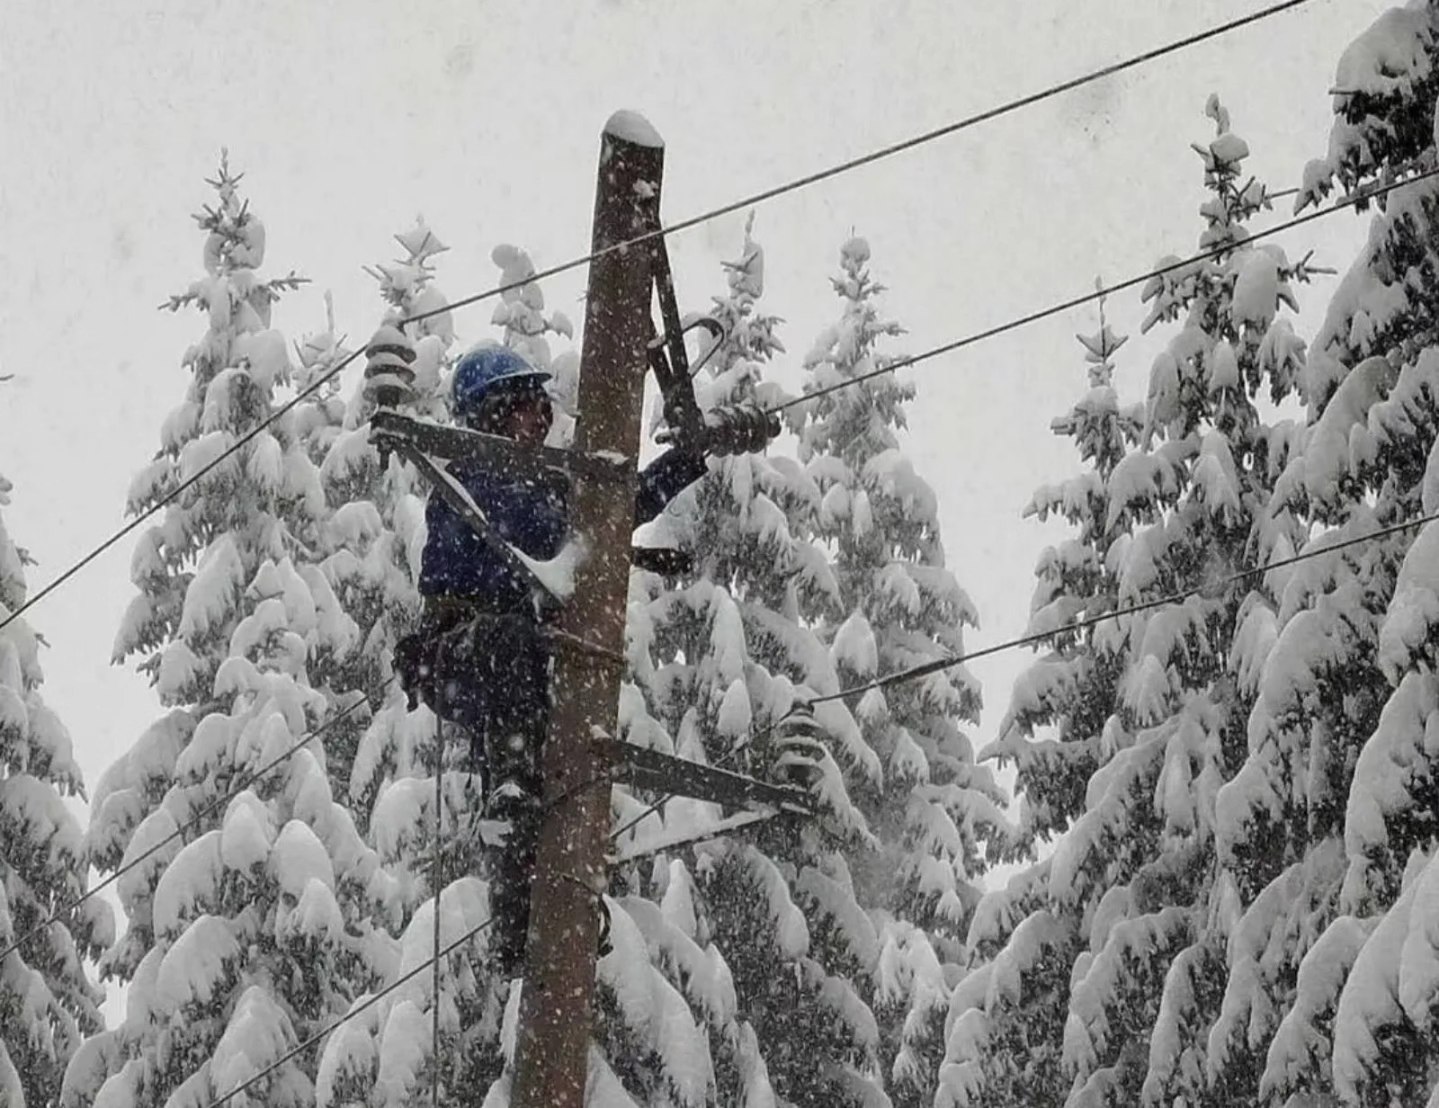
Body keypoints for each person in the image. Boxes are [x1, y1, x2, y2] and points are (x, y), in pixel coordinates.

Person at [392, 342, 752, 972]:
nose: (540, 420)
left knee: (547, 766)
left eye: (542, 406)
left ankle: (531, 920)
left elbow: (617, 506)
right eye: (527, 407)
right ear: (492, 413)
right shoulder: (475, 481)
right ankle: (511, 808)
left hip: (517, 667)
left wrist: (690, 458)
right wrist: (601, 514)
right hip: (465, 653)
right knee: (514, 699)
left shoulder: (541, 485)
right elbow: (562, 521)